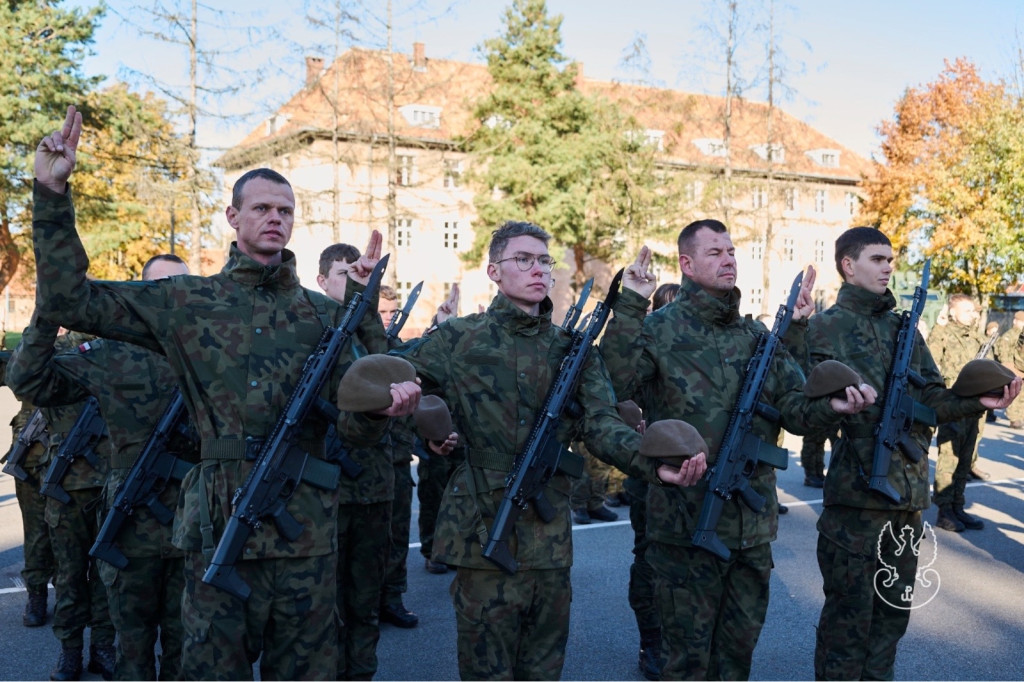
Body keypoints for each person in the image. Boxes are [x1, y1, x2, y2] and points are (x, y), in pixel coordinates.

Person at [30, 105, 421, 681]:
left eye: (286, 211)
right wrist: (51, 195)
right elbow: (69, 300)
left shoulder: (323, 315)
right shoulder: (186, 302)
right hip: (218, 525)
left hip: (306, 537)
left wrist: (384, 408)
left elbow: (354, 429)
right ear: (233, 216)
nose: (275, 219)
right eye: (262, 208)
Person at [396, 220, 707, 680]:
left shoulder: (571, 349)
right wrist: (427, 434)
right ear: (494, 271)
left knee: (544, 670)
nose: (538, 269)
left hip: (549, 539)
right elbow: (395, 392)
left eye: (544, 261)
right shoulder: (457, 339)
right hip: (480, 527)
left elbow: (601, 423)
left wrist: (651, 463)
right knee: (486, 670)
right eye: (523, 259)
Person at [599, 219, 875, 680]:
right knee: (686, 663)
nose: (728, 259)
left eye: (731, 251)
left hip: (750, 531)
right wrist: (629, 305)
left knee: (736, 658)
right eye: (715, 253)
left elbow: (794, 409)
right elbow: (615, 385)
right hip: (686, 524)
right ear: (686, 264)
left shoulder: (755, 337)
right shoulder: (659, 330)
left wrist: (833, 405)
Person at [804, 227, 1020, 680]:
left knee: (890, 619)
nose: (889, 267)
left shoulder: (903, 328)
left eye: (891, 259)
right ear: (849, 265)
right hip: (855, 500)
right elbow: (800, 407)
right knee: (847, 622)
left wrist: (974, 402)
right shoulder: (823, 327)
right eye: (878, 259)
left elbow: (933, 399)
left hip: (906, 500)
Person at [7, 254, 198, 680]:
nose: (170, 296)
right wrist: (47, 311)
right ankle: (74, 650)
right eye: (158, 287)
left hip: (193, 517)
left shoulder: (208, 349)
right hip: (127, 518)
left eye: (180, 286)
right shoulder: (109, 352)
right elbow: (28, 379)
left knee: (184, 640)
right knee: (128, 636)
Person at [6, 323, 116, 681]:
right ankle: (70, 651)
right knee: (69, 575)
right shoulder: (55, 352)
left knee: (105, 575)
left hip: (111, 484)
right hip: (65, 485)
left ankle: (103, 648)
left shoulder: (116, 350)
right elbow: (21, 374)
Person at [623, 280, 678, 681]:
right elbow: (618, 389)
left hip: (693, 471)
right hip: (652, 472)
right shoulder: (647, 344)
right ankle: (652, 640)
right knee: (649, 559)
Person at [376, 285, 422, 630]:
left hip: (398, 459)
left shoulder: (403, 356)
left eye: (392, 312)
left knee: (397, 533)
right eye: (381, 312)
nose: (388, 319)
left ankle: (392, 596)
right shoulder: (354, 349)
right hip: (360, 462)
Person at [0, 368, 57, 631]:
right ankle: (37, 595)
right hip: (31, 454)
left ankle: (71, 595)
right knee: (36, 531)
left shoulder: (86, 346)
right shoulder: (32, 349)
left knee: (73, 533)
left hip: (78, 455)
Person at [927, 293, 988, 531]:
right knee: (948, 460)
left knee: (966, 458)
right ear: (952, 312)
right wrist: (938, 327)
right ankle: (944, 510)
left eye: (974, 311)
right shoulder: (942, 333)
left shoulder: (976, 336)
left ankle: (958, 505)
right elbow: (930, 363)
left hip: (975, 405)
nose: (972, 315)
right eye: (967, 311)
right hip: (952, 402)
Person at [415, 284, 462, 575]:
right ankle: (433, 550)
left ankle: (455, 547)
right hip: (435, 431)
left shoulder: (462, 352)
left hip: (462, 436)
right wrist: (437, 327)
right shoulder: (430, 352)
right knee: (433, 494)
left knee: (458, 496)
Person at [995, 311, 1024, 429]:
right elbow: (1004, 353)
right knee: (1015, 393)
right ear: (1015, 321)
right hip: (1013, 368)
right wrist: (1009, 368)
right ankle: (1014, 418)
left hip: (1021, 367)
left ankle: (1019, 416)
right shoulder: (1009, 335)